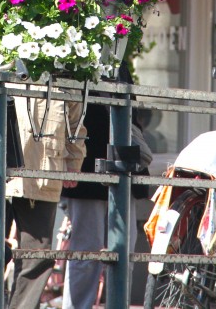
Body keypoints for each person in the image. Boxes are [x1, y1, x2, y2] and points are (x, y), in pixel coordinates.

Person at [59, 102, 151, 309]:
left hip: (122, 166)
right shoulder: (78, 71)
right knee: (86, 249)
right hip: (87, 167)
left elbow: (131, 113)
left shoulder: (120, 69)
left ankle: (118, 304)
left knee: (123, 249)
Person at [6, 89, 87, 309]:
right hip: (0, 164)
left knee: (37, 255)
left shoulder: (67, 66)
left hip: (43, 166)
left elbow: (75, 118)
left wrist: (74, 159)